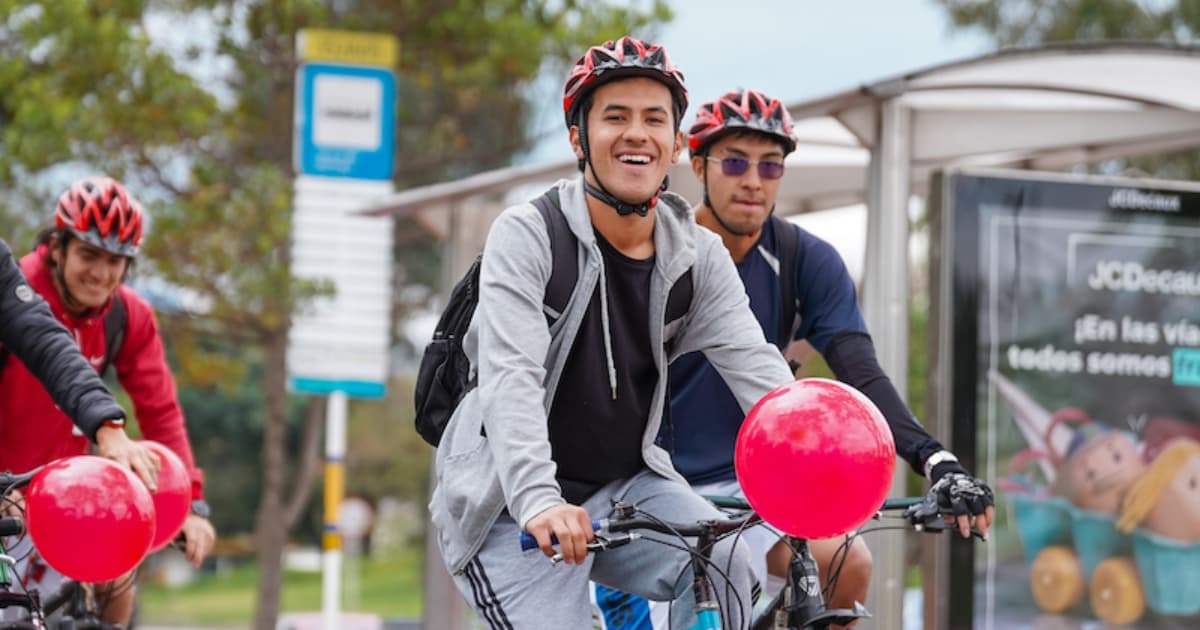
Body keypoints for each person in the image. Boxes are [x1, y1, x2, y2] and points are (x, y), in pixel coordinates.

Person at [428, 37, 796, 630]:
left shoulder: (697, 256)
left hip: (626, 487)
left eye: (654, 119)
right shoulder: (529, 235)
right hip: (508, 504)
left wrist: (818, 465)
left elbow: (763, 376)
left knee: (725, 557)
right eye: (615, 117)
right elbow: (511, 380)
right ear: (579, 138)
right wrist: (540, 500)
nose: (636, 134)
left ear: (677, 143)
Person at [663, 88, 994, 625]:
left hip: (753, 484)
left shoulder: (802, 259)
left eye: (770, 166)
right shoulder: (663, 247)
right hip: (656, 482)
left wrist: (936, 462)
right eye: (734, 161)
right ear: (699, 165)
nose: (753, 179)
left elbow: (859, 373)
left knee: (846, 563)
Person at [0, 177, 217, 626]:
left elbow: (160, 411)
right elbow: (44, 343)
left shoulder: (127, 315)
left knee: (121, 560)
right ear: (58, 247)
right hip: (7, 494)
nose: (101, 273)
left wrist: (191, 506)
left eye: (116, 260)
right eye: (88, 255)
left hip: (66, 492)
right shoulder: (16, 291)